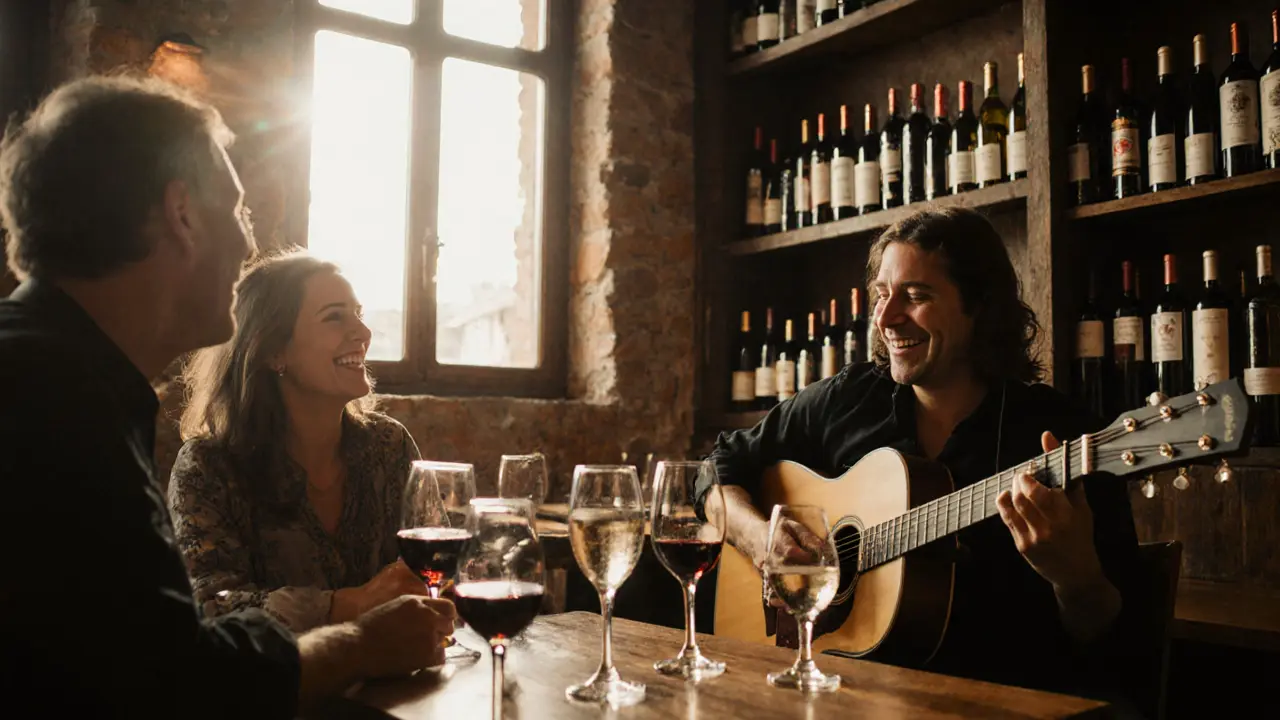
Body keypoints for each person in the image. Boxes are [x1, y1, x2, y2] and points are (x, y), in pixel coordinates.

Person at [0, 75, 453, 717]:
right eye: (239, 211)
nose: (246, 246)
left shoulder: (58, 378)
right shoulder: (51, 406)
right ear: (182, 214)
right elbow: (182, 687)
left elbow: (131, 662)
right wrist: (358, 640)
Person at [701, 208, 1144, 702]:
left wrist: (1076, 577)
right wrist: (761, 541)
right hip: (835, 702)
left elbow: (1119, 650)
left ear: (980, 307)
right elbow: (714, 472)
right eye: (882, 295)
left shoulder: (1062, 441)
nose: (887, 319)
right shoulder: (848, 400)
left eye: (916, 297)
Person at [169, 250, 427, 632]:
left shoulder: (390, 446)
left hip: (399, 684)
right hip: (275, 689)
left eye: (358, 314)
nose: (363, 333)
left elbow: (438, 572)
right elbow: (210, 605)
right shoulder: (209, 467)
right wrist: (349, 605)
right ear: (274, 351)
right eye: (335, 317)